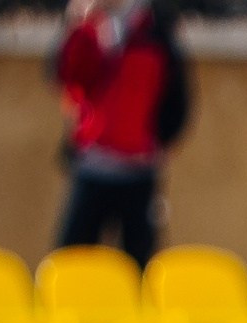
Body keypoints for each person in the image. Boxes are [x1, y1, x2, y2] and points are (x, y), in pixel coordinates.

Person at [50, 0, 189, 268]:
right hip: (92, 166)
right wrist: (78, 26)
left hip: (140, 168)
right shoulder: (88, 27)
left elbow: (177, 91)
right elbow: (66, 75)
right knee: (71, 260)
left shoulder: (155, 26)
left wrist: (165, 139)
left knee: (139, 263)